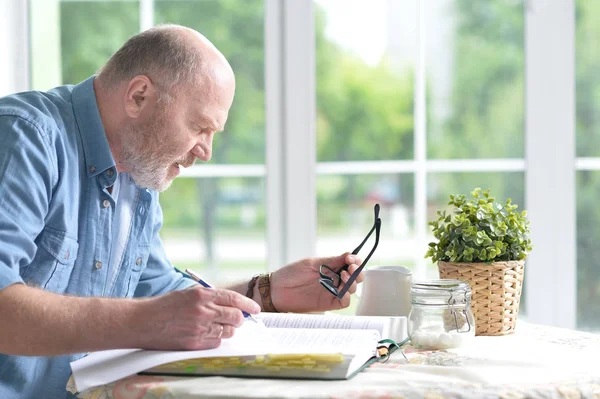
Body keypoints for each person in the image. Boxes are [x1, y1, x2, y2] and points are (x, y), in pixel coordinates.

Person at [0, 24, 364, 398]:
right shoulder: (26, 138)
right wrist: (146, 322)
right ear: (139, 96)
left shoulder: (136, 171)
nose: (206, 151)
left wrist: (265, 293)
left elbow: (157, 293)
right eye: (199, 127)